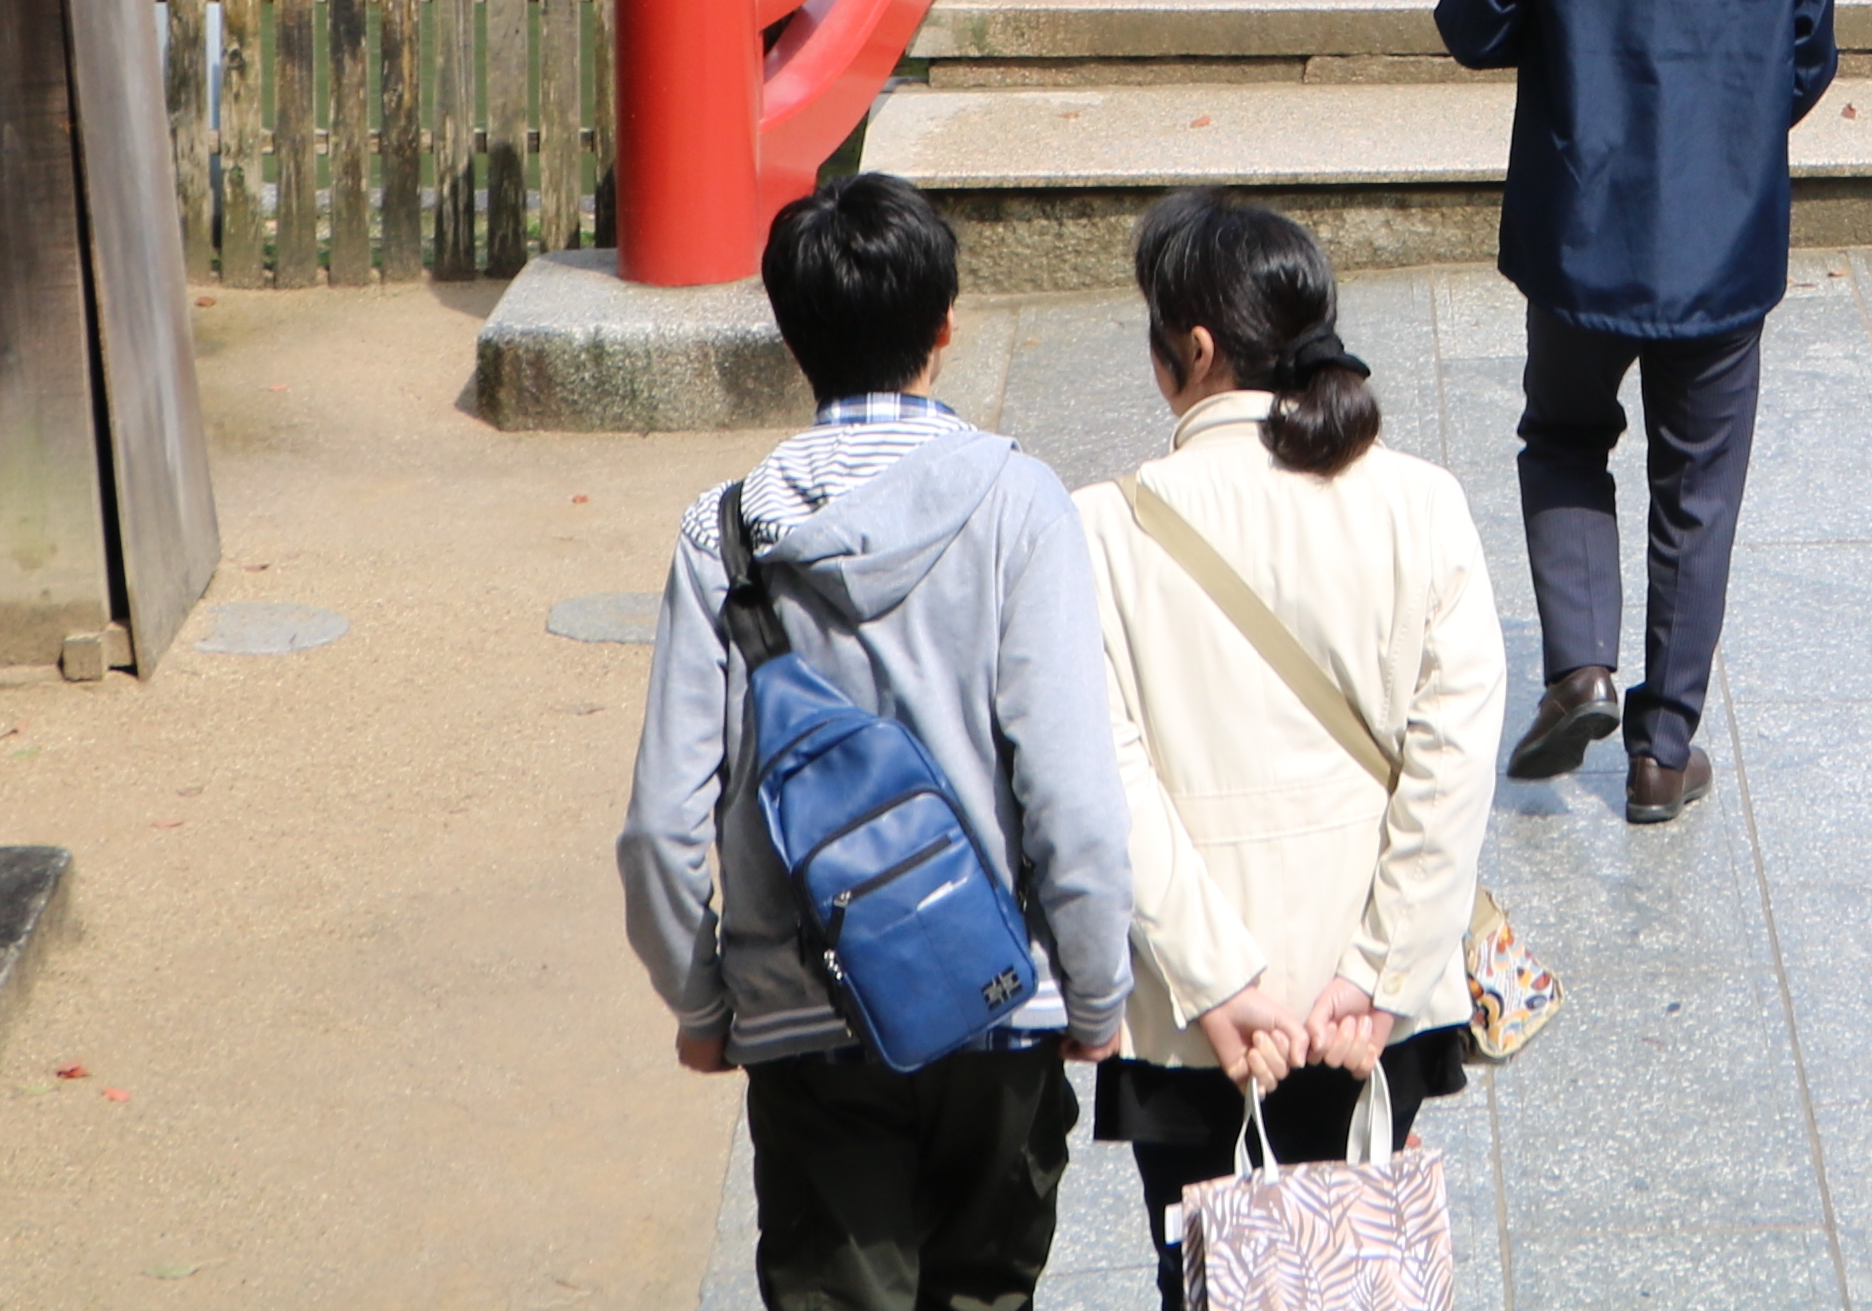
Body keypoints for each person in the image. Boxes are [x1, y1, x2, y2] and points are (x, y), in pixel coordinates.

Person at [626, 176, 1138, 1311]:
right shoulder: (1021, 504)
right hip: (997, 999)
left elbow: (663, 826)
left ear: (790, 331)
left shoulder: (724, 535)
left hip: (807, 1017)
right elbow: (1071, 793)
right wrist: (1095, 992)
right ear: (946, 326)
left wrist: (709, 1004)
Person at [1434, 0, 1838, 828]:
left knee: (1563, 433)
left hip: (1580, 227)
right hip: (1720, 240)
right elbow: (1806, 62)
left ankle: (1579, 666)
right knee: (1698, 485)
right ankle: (1662, 753)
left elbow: (1472, 22)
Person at [1074, 193, 1498, 1311]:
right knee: (1362, 1270)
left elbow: (1104, 777)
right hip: (1373, 1015)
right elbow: (1452, 759)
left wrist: (1220, 974)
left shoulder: (1102, 528)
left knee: (1213, 1276)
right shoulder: (1425, 503)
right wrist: (1381, 968)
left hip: (1198, 1024)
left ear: (1193, 350)